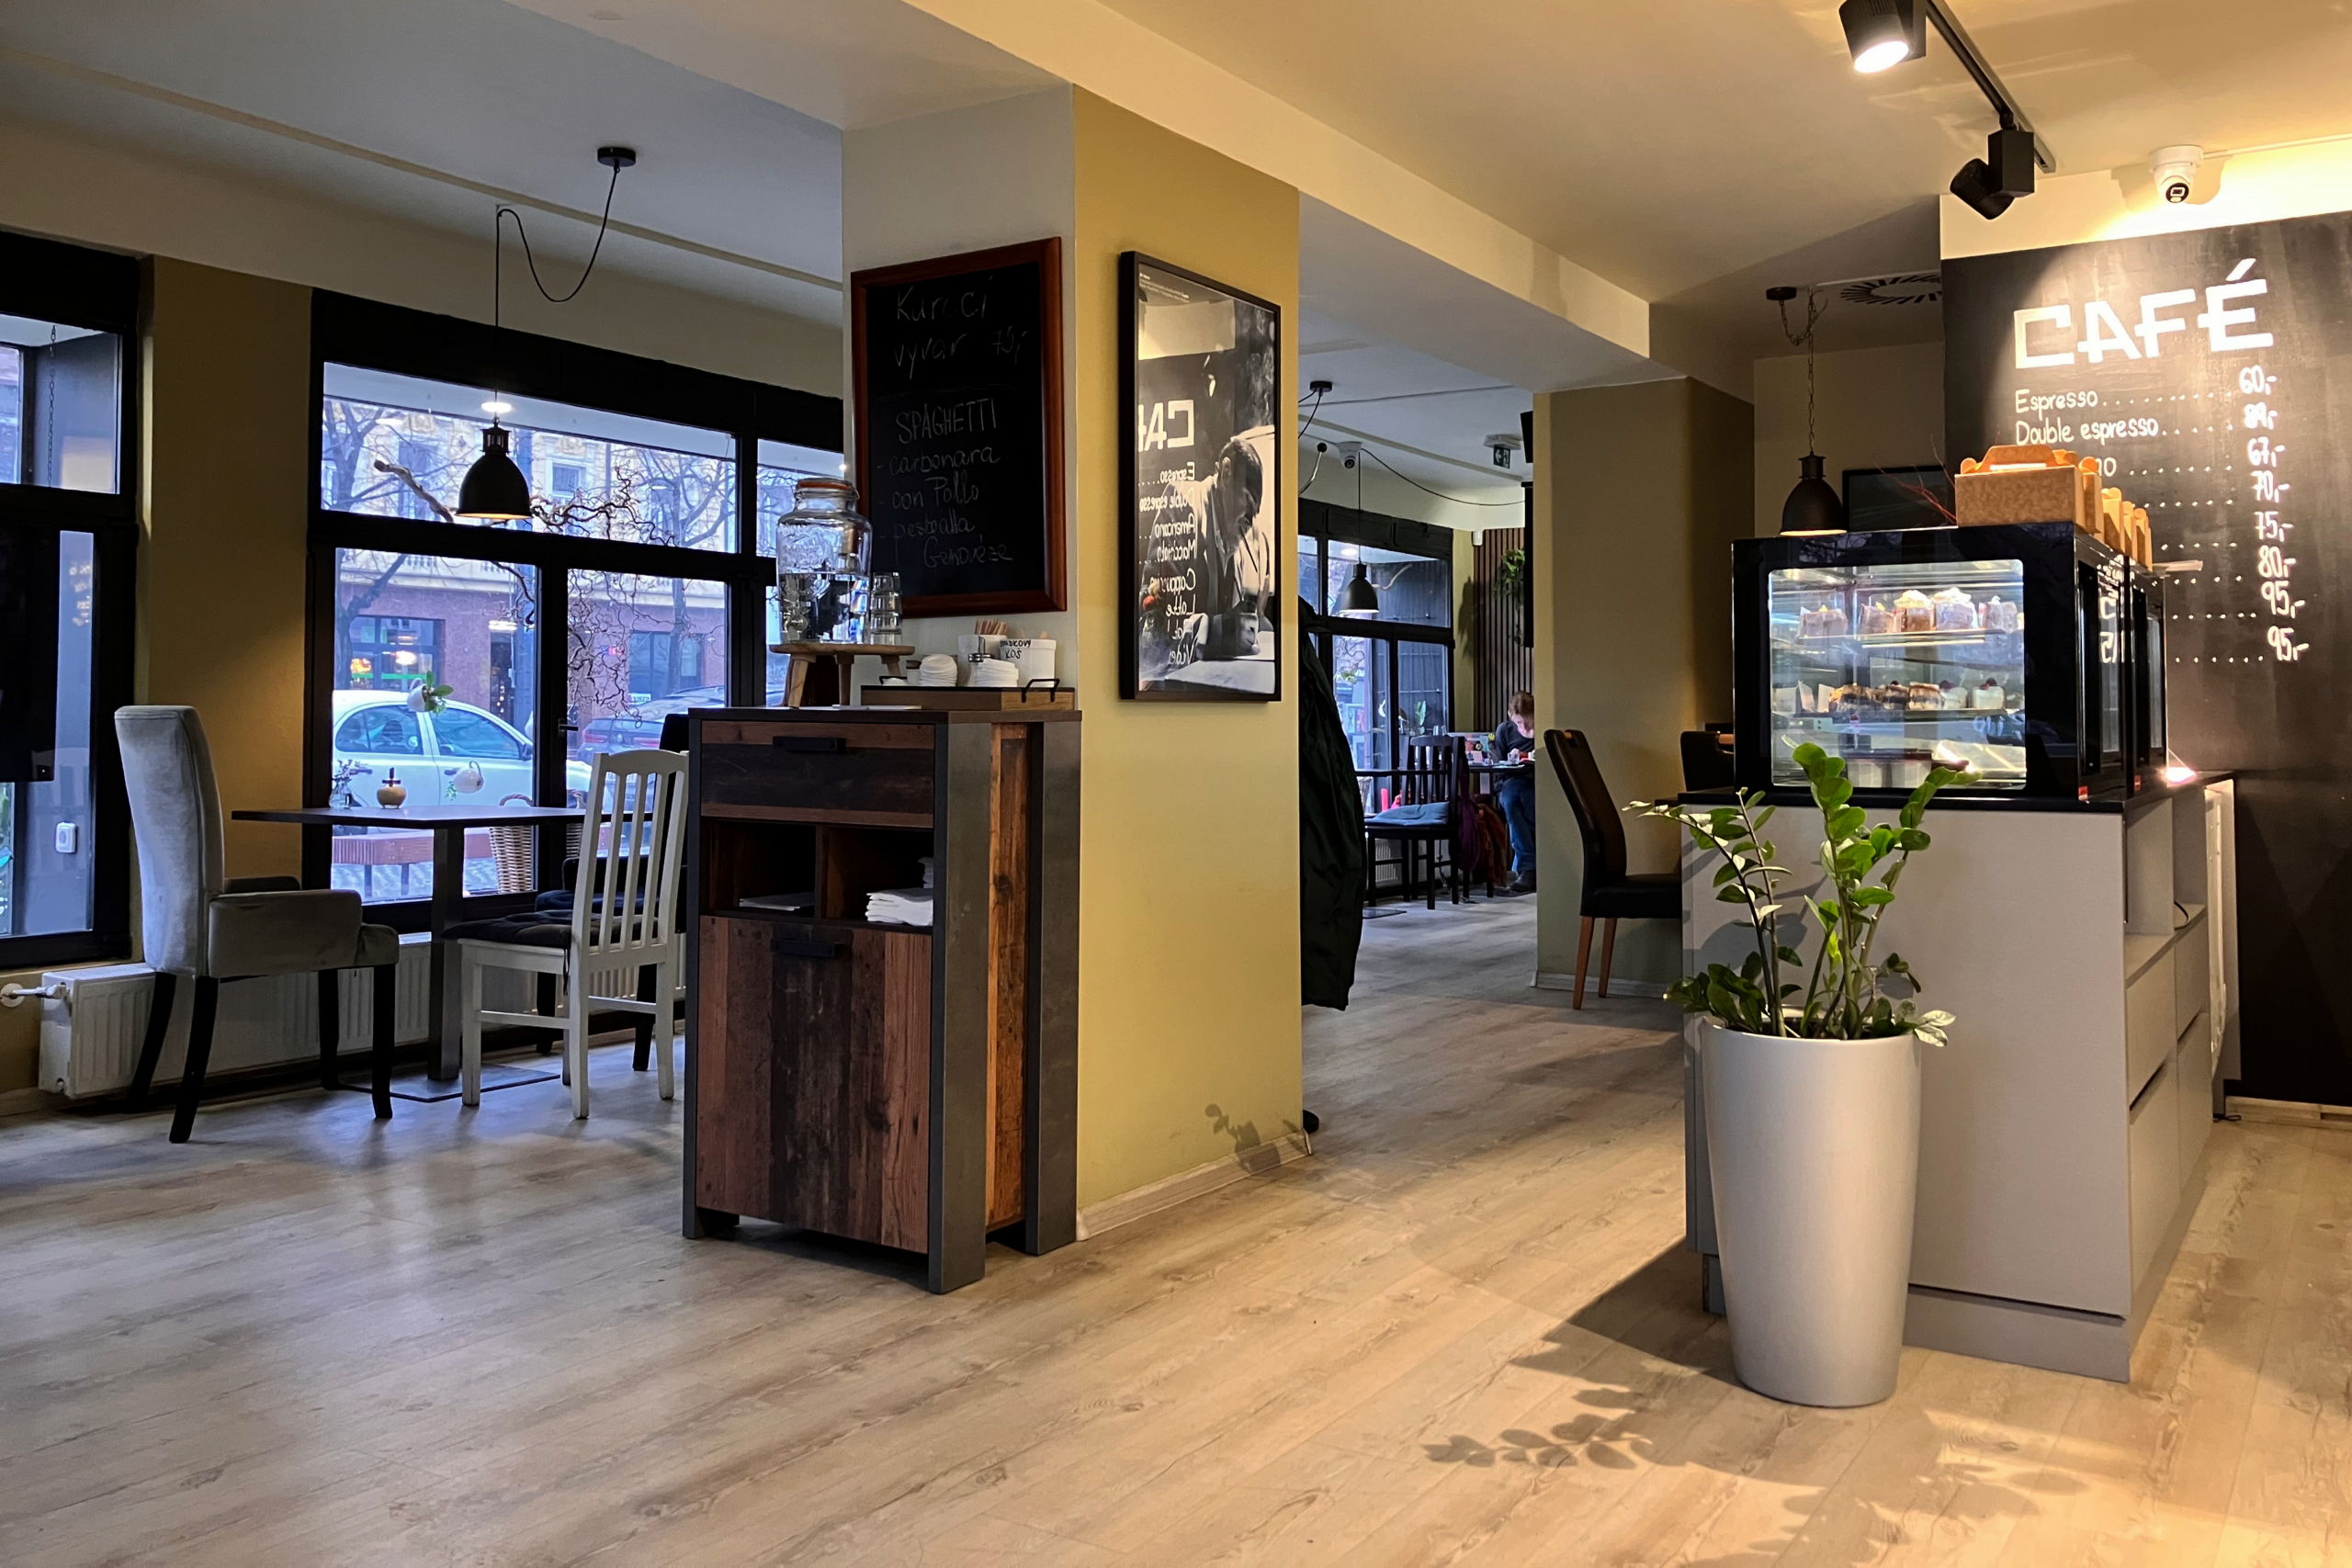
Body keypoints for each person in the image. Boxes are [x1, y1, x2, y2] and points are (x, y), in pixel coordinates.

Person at [1492, 691, 1539, 893]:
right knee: (1513, 800)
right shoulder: (1505, 730)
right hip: (1511, 781)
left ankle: (1528, 868)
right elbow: (1497, 766)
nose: (1525, 728)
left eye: (1528, 721)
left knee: (1524, 800)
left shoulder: (1544, 727)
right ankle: (1531, 867)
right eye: (1519, 723)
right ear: (1511, 718)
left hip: (1539, 781)